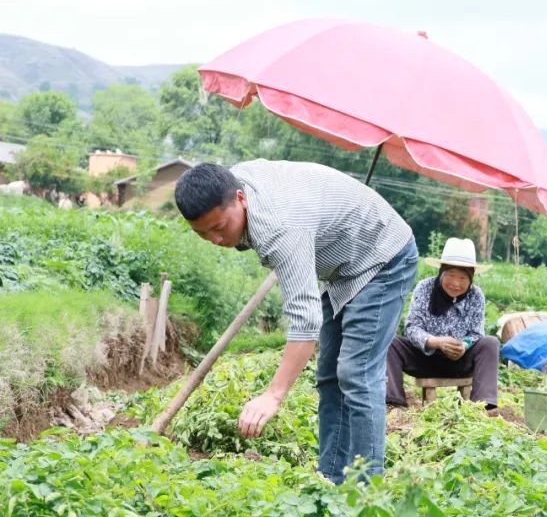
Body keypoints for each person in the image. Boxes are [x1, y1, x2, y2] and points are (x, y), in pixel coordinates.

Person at [174, 159, 418, 484]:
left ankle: (367, 490)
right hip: (342, 266)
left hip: (383, 255)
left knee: (356, 373)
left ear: (240, 198)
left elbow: (305, 319)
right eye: (202, 233)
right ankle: (331, 478)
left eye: (219, 228)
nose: (215, 240)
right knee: (330, 375)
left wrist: (273, 394)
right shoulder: (235, 181)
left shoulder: (279, 228)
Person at [386, 238, 500, 408]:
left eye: (462, 278)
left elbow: (476, 333)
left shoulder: (476, 295)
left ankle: (484, 405)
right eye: (451, 275)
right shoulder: (425, 288)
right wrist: (436, 342)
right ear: (441, 272)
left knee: (490, 342)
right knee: (390, 341)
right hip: (424, 359)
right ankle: (394, 403)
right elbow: (412, 328)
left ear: (471, 278)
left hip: (460, 361)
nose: (456, 283)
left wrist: (463, 345)